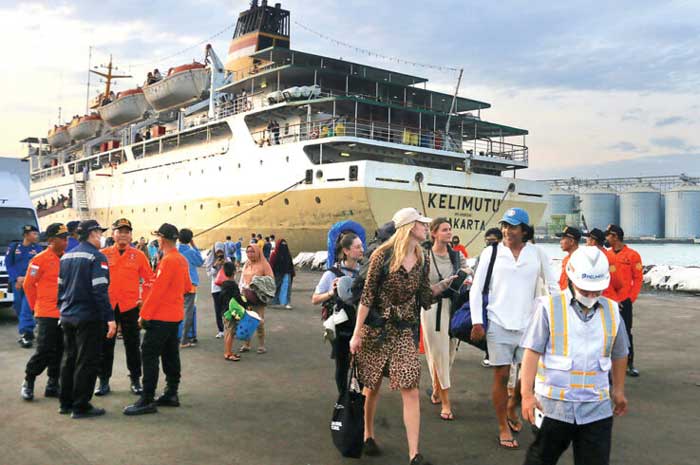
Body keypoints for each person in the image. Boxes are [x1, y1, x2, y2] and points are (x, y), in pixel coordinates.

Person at [349, 207, 457, 465]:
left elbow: (423, 294)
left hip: (403, 332)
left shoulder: (421, 258)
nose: (425, 228)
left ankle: (414, 455)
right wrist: (356, 335)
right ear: (410, 227)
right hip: (376, 331)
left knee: (410, 388)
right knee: (371, 386)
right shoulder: (381, 256)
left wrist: (445, 285)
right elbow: (367, 296)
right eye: (422, 224)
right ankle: (367, 434)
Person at [520, 246, 629, 465]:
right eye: (585, 290)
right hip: (553, 407)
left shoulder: (613, 310)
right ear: (571, 277)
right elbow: (532, 351)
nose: (590, 296)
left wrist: (618, 390)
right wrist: (526, 394)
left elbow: (619, 354)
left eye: (596, 291)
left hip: (595, 408)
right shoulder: (549, 307)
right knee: (540, 459)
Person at [469, 208, 559, 449]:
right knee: (500, 375)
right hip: (498, 321)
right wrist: (477, 321)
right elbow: (476, 289)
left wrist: (559, 317)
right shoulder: (491, 252)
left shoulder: (537, 253)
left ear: (525, 231)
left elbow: (552, 285)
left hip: (529, 324)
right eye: (505, 226)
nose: (507, 231)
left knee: (526, 378)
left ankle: (512, 405)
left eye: (513, 226)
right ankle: (502, 425)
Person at [123, 223, 191, 416]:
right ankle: (171, 392)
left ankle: (147, 398)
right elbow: (187, 287)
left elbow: (158, 291)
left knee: (149, 354)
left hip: (161, 316)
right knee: (170, 353)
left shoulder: (168, 260)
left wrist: (144, 314)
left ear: (162, 239)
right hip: (175, 315)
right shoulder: (181, 260)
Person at [58, 220, 116, 418]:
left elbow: (60, 288)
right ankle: (81, 406)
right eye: (99, 233)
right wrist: (109, 318)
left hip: (67, 315)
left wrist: (62, 310)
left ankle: (65, 403)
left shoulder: (66, 256)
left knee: (69, 359)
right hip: (88, 317)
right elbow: (100, 290)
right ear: (92, 234)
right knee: (87, 361)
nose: (101, 237)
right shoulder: (96, 256)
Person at [96, 218, 154, 397]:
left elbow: (149, 280)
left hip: (130, 306)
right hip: (108, 307)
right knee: (105, 345)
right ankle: (103, 381)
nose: (123, 235)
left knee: (133, 345)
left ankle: (135, 380)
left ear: (131, 235)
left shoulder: (138, 256)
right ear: (113, 234)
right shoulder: (103, 254)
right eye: (119, 231)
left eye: (126, 231)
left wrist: (142, 300)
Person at [423, 218, 469, 421]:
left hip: (454, 307)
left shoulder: (457, 256)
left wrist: (464, 274)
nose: (449, 233)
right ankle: (446, 402)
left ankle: (436, 388)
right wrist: (440, 285)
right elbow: (420, 284)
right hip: (432, 307)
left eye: (450, 229)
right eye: (444, 230)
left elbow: (469, 270)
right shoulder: (424, 256)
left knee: (449, 354)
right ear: (434, 233)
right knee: (439, 353)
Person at [20, 223, 69, 401]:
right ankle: (29, 380)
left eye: (67, 238)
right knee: (44, 349)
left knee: (60, 350)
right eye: (62, 238)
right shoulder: (39, 260)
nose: (66, 241)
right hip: (46, 313)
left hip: (64, 313)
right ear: (51, 241)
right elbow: (28, 285)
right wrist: (36, 307)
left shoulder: (67, 258)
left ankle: (53, 384)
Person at [312, 232, 363, 396]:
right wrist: (331, 292)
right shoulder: (331, 273)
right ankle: (343, 398)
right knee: (342, 364)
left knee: (361, 363)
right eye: (357, 247)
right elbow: (315, 299)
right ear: (346, 251)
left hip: (360, 323)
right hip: (340, 325)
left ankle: (357, 396)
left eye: (362, 246)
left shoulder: (365, 272)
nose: (362, 250)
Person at [605, 225, 643, 377]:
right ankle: (608, 364)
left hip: (625, 301)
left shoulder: (632, 255)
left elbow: (638, 278)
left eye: (608, 236)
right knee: (608, 332)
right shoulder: (606, 255)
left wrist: (630, 298)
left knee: (626, 332)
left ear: (615, 236)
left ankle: (629, 364)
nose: (606, 239)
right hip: (609, 300)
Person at [6, 224, 44, 348]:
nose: (36, 236)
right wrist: (16, 278)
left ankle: (26, 333)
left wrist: (27, 278)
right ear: (26, 235)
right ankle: (28, 329)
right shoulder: (14, 247)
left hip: (31, 284)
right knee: (18, 306)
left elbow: (38, 267)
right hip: (17, 283)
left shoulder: (38, 249)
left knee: (26, 308)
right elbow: (9, 264)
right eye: (34, 234)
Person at [238, 245, 273, 354]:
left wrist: (258, 283)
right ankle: (246, 344)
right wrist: (240, 291)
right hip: (246, 295)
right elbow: (242, 279)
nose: (250, 254)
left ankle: (261, 345)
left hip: (258, 297)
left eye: (252, 252)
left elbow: (271, 280)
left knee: (259, 321)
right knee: (246, 319)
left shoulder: (264, 264)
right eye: (248, 252)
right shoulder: (247, 264)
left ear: (258, 252)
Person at [479, 227, 504, 368]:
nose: (490, 244)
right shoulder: (484, 254)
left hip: (498, 296)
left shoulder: (505, 257)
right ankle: (489, 353)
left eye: (493, 241)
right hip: (485, 295)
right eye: (487, 241)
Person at [178, 229, 204, 347]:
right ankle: (185, 339)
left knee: (177, 310)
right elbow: (200, 262)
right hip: (190, 285)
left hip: (177, 284)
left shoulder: (175, 250)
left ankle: (178, 336)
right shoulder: (191, 252)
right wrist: (194, 246)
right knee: (188, 312)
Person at [220, 261, 245, 362]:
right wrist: (245, 304)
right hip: (232, 313)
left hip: (225, 312)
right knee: (231, 333)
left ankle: (228, 352)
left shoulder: (223, 284)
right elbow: (238, 298)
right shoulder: (233, 285)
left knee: (227, 332)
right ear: (234, 272)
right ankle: (228, 353)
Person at [206, 242, 230, 339]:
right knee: (218, 310)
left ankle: (229, 328)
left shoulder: (227, 259)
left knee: (228, 309)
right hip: (216, 289)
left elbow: (232, 273)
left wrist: (226, 264)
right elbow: (209, 274)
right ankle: (221, 330)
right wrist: (215, 266)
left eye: (221, 251)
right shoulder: (211, 259)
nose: (219, 253)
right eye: (218, 251)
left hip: (226, 288)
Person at [270, 238, 295, 309]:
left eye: (285, 245)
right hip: (277, 274)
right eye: (282, 245)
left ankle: (287, 302)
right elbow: (271, 264)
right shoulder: (274, 254)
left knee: (287, 288)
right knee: (276, 287)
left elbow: (290, 264)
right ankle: (274, 302)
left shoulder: (288, 254)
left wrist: (292, 272)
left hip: (287, 274)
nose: (283, 247)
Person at [556, 226, 581, 290]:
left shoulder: (580, 259)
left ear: (572, 241)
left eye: (563, 238)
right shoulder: (566, 259)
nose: (560, 242)